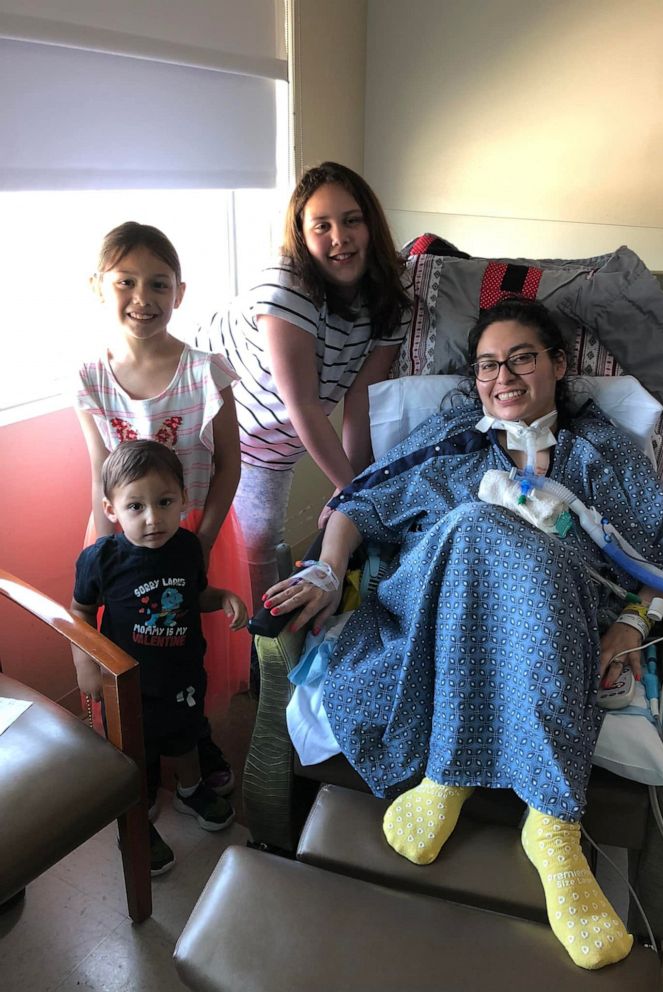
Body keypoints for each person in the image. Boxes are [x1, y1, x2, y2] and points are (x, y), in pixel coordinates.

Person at [264, 298, 663, 970]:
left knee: (517, 543)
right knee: (476, 523)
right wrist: (328, 570)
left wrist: (629, 621)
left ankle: (540, 823)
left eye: (522, 357)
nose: (503, 377)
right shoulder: (450, 438)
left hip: (554, 624)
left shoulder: (601, 452)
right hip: (430, 607)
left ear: (558, 364)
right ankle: (515, 808)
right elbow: (360, 502)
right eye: (487, 365)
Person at [75, 220, 249, 795]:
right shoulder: (90, 378)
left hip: (195, 528)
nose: (142, 298)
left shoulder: (206, 371)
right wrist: (103, 548)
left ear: (179, 291)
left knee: (186, 645)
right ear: (99, 286)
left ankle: (195, 738)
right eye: (126, 282)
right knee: (131, 638)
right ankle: (140, 749)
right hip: (123, 534)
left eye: (158, 283)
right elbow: (100, 471)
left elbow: (229, 464)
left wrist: (202, 539)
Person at [194, 161, 412, 614]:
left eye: (352, 220)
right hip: (200, 426)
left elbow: (360, 401)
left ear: (371, 223)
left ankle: (263, 662)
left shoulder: (392, 298)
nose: (340, 237)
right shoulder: (286, 286)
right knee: (185, 545)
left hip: (272, 448)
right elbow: (304, 405)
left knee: (258, 548)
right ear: (301, 235)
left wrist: (351, 485)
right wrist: (354, 490)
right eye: (322, 226)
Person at [70, 441, 248, 875]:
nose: (153, 518)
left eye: (165, 502)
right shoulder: (102, 559)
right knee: (133, 749)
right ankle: (135, 809)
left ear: (183, 500)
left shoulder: (187, 548)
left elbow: (194, 596)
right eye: (136, 506)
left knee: (185, 734)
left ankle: (189, 789)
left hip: (182, 671)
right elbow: (78, 612)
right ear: (111, 510)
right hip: (126, 681)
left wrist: (221, 597)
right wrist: (86, 664)